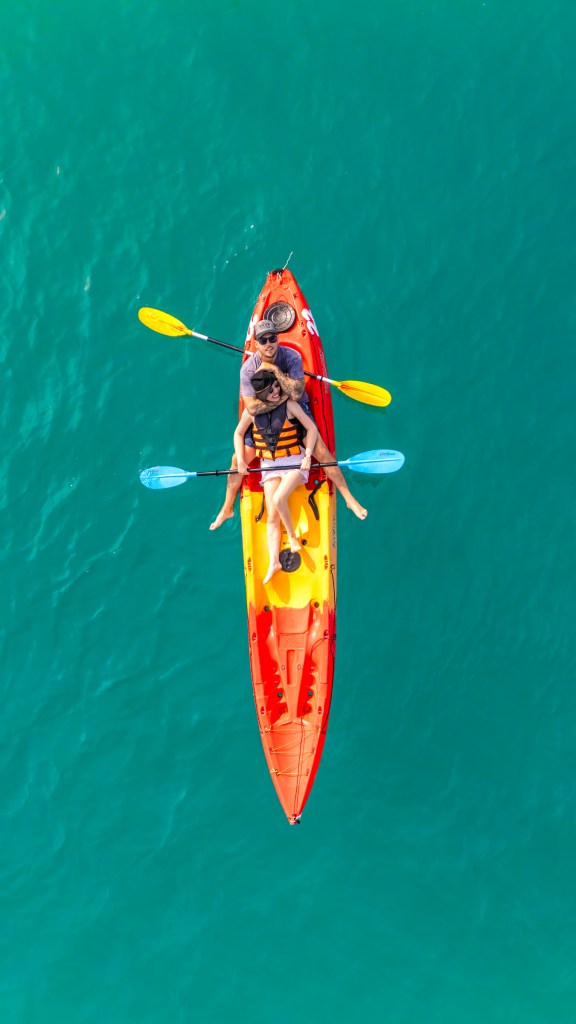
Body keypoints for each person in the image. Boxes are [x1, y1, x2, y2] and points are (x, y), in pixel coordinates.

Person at [209, 319, 368, 529]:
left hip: (296, 410)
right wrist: (281, 399)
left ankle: (348, 498)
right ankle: (227, 508)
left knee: (323, 453)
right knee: (236, 459)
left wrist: (275, 372)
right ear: (256, 344)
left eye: (272, 338)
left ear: (277, 338)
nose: (269, 344)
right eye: (263, 340)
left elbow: (298, 393)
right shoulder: (248, 370)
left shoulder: (291, 357)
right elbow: (253, 409)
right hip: (263, 420)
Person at [233, 370, 318, 583]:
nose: (275, 391)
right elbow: (238, 433)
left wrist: (308, 455)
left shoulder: (289, 405)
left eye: (276, 386)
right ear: (259, 394)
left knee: (279, 499)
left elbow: (311, 429)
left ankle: (291, 537)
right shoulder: (252, 411)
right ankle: (274, 562)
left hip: (295, 462)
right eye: (269, 390)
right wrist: (242, 460)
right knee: (272, 515)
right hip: (269, 464)